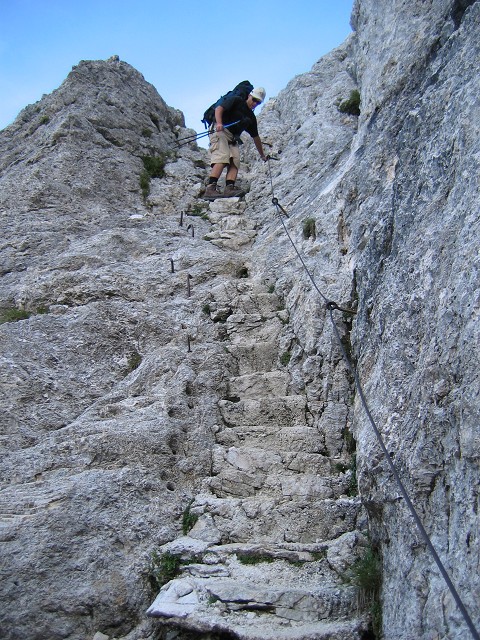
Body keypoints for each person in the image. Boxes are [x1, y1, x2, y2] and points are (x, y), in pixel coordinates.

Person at [204, 87, 267, 200]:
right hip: (220, 130)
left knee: (235, 160)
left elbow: (256, 137)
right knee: (222, 156)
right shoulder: (237, 100)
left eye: (258, 102)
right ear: (249, 96)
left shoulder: (251, 117)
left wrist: (262, 155)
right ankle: (210, 188)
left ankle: (229, 187)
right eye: (254, 100)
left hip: (232, 137)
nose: (255, 103)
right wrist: (219, 123)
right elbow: (219, 108)